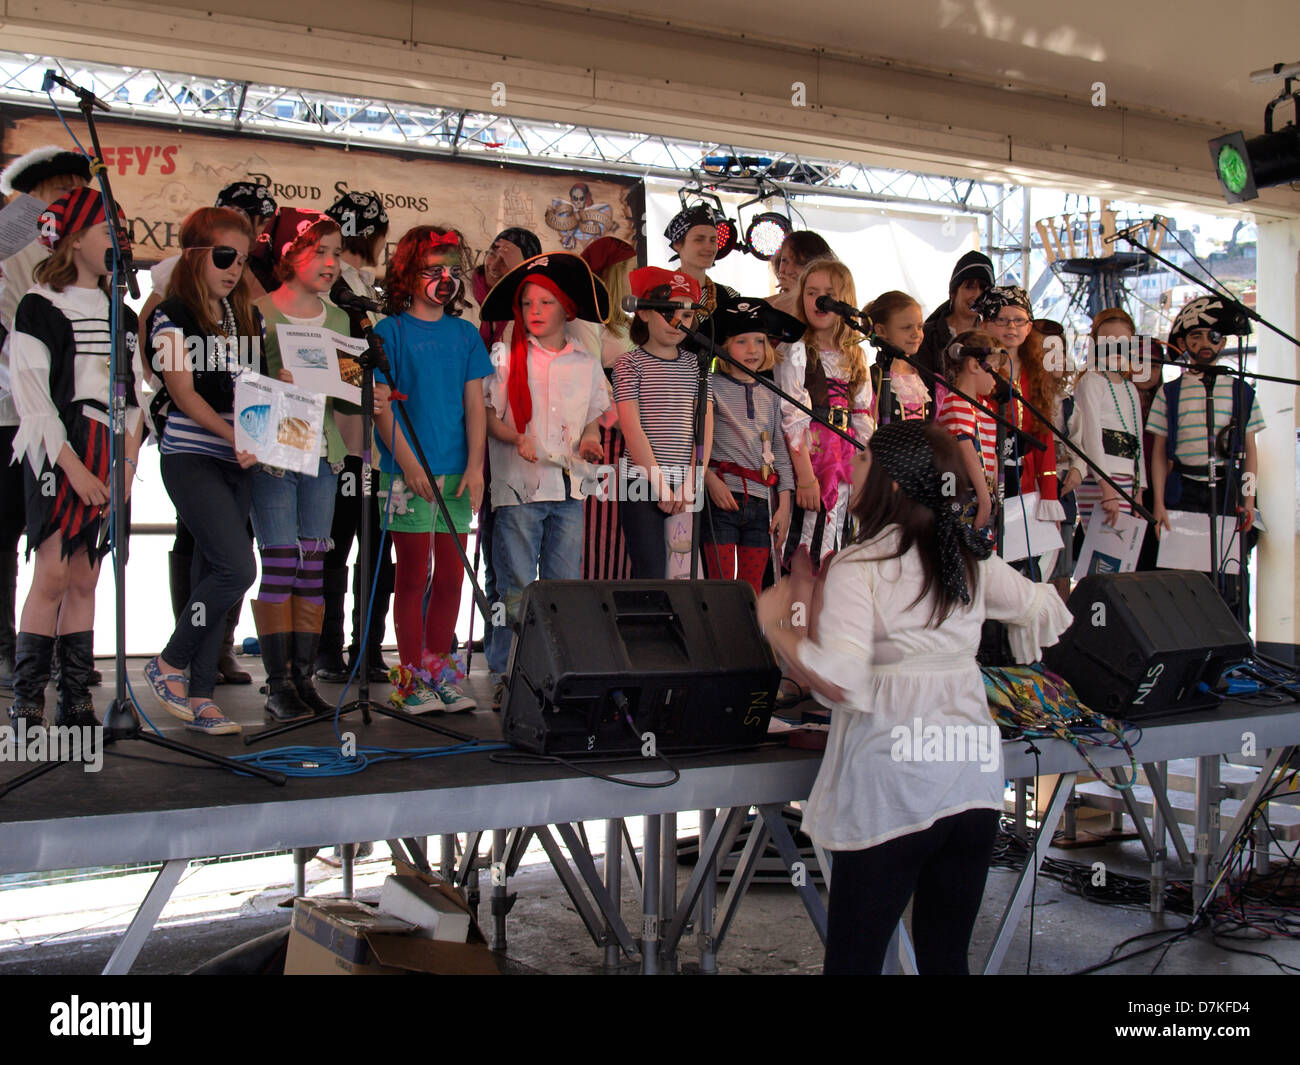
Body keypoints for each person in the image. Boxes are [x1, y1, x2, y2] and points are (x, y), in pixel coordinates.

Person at [756, 420, 1072, 975]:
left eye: (861, 464)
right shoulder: (967, 555)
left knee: (855, 963)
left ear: (893, 484)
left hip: (894, 791)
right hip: (971, 783)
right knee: (946, 961)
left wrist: (781, 624)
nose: (850, 471)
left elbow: (840, 680)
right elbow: (1043, 608)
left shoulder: (862, 565)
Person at [7, 188, 144, 727]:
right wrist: (76, 468)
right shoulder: (40, 305)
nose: (120, 241)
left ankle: (77, 697)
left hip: (107, 451)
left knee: (86, 575)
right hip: (59, 449)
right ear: (73, 239)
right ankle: (27, 698)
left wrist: (126, 466)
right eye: (109, 231)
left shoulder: (122, 315)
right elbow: (33, 399)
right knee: (53, 574)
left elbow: (133, 399)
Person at [142, 181, 279, 688]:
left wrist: (278, 396)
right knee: (236, 569)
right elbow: (182, 393)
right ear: (195, 253)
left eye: (242, 259)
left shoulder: (246, 316)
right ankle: (169, 663)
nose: (234, 268)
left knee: (212, 573)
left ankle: (199, 695)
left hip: (236, 460)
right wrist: (235, 435)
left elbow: (257, 390)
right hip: (193, 457)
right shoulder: (170, 315)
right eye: (224, 256)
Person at [250, 211, 377, 722]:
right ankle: (277, 682)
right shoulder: (257, 310)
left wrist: (372, 395)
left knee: (313, 562)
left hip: (322, 451)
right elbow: (239, 383)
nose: (331, 263)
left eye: (336, 252)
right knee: (280, 560)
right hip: (274, 450)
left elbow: (345, 401)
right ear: (288, 255)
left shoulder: (342, 319)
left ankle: (302, 679)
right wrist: (272, 378)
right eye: (318, 252)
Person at [479, 252, 611, 703]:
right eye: (528, 304)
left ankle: (554, 672)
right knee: (514, 586)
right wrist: (515, 437)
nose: (534, 312)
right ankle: (506, 674)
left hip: (570, 488)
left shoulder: (585, 361)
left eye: (545, 303)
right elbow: (487, 418)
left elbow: (593, 418)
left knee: (561, 587)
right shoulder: (505, 357)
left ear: (566, 310)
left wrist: (591, 440)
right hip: (518, 488)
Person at [375, 225, 490, 713]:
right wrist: (408, 463)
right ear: (407, 274)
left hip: (456, 474)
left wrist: (477, 466)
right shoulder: (389, 332)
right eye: (432, 270)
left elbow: (476, 404)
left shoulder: (465, 334)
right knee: (412, 573)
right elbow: (381, 406)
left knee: (450, 576)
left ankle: (440, 670)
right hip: (407, 473)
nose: (445, 280)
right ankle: (409, 678)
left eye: (452, 271)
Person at [0, 146, 93, 693]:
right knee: (12, 532)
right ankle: (13, 651)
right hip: (13, 412)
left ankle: (50, 654)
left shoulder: (63, 247)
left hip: (59, 416)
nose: (73, 202)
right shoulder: (15, 234)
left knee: (55, 539)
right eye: (65, 192)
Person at [314, 189, 395, 686]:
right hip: (346, 440)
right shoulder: (336, 292)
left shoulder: (374, 294)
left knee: (362, 549)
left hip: (374, 443)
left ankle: (358, 649)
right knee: (343, 548)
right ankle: (336, 651)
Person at [1147, 296, 1263, 620]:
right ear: (1183, 342)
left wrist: (1249, 498)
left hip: (1227, 488)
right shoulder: (1170, 392)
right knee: (1183, 579)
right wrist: (1159, 504)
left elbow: (1251, 451)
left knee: (1230, 576)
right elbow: (1159, 452)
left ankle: (1235, 648)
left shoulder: (1241, 390)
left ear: (1223, 341)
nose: (1203, 343)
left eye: (1211, 335)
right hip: (1184, 488)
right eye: (1194, 336)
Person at [614, 267, 715, 579]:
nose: (678, 323)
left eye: (685, 316)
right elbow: (632, 428)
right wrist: (660, 485)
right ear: (643, 314)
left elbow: (705, 425)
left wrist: (692, 480)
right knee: (652, 570)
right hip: (642, 482)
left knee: (683, 574)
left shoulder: (697, 366)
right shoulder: (629, 363)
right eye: (668, 312)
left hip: (685, 480)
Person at [775, 258, 873, 573]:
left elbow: (862, 419)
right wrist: (805, 478)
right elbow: (792, 415)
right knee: (806, 548)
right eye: (811, 292)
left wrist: (864, 475)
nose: (819, 301)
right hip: (810, 461)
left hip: (844, 465)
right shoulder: (799, 350)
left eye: (828, 294)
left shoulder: (855, 355)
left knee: (838, 549)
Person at [701, 298, 801, 593]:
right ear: (724, 346)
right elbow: (698, 442)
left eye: (759, 341)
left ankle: (748, 640)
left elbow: (780, 452)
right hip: (722, 498)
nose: (752, 350)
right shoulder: (710, 385)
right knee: (720, 588)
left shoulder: (772, 393)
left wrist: (784, 505)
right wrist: (708, 479)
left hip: (761, 505)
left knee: (752, 588)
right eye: (741, 341)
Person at [974, 285, 1066, 576]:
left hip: (1025, 484)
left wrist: (1049, 494)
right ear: (986, 324)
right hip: (987, 477)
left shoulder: (1036, 371)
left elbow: (1043, 436)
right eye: (1002, 319)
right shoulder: (977, 368)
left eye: (1019, 320)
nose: (1011, 327)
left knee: (1023, 569)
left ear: (1029, 327)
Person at [578, 236, 636, 582]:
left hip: (630, 442)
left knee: (623, 537)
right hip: (602, 439)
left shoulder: (627, 326)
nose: (635, 275)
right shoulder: (588, 322)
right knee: (597, 538)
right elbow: (587, 381)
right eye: (630, 268)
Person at [1064, 308, 1146, 536]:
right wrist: (1106, 487)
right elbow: (1091, 438)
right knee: (1102, 549)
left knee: (1122, 553)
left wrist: (1140, 489)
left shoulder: (1131, 388)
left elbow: (1137, 441)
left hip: (1128, 477)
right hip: (1100, 477)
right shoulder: (1091, 381)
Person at [935, 330, 1000, 541]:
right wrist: (984, 496)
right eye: (993, 370)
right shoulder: (956, 403)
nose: (996, 378)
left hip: (984, 490)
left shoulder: (985, 408)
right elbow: (966, 450)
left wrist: (994, 493)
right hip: (966, 492)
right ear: (973, 365)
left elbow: (992, 454)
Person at [916, 250, 995, 398]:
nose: (976, 295)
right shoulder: (928, 335)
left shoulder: (991, 336)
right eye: (969, 287)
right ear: (953, 292)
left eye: (983, 288)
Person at [663, 204, 737, 343]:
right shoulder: (660, 293)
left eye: (713, 240)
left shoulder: (730, 297)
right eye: (699, 239)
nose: (708, 247)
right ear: (678, 244)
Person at [865, 290, 931, 424]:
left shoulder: (926, 378)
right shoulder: (872, 379)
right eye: (907, 328)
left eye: (919, 327)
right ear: (881, 330)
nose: (916, 334)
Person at [471, 228, 542, 350]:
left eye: (505, 261)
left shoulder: (536, 305)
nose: (494, 266)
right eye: (492, 254)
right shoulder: (458, 292)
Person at [769, 231, 835, 316]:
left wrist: (798, 297)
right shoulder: (768, 305)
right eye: (784, 260)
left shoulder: (830, 306)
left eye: (799, 262)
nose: (788, 270)